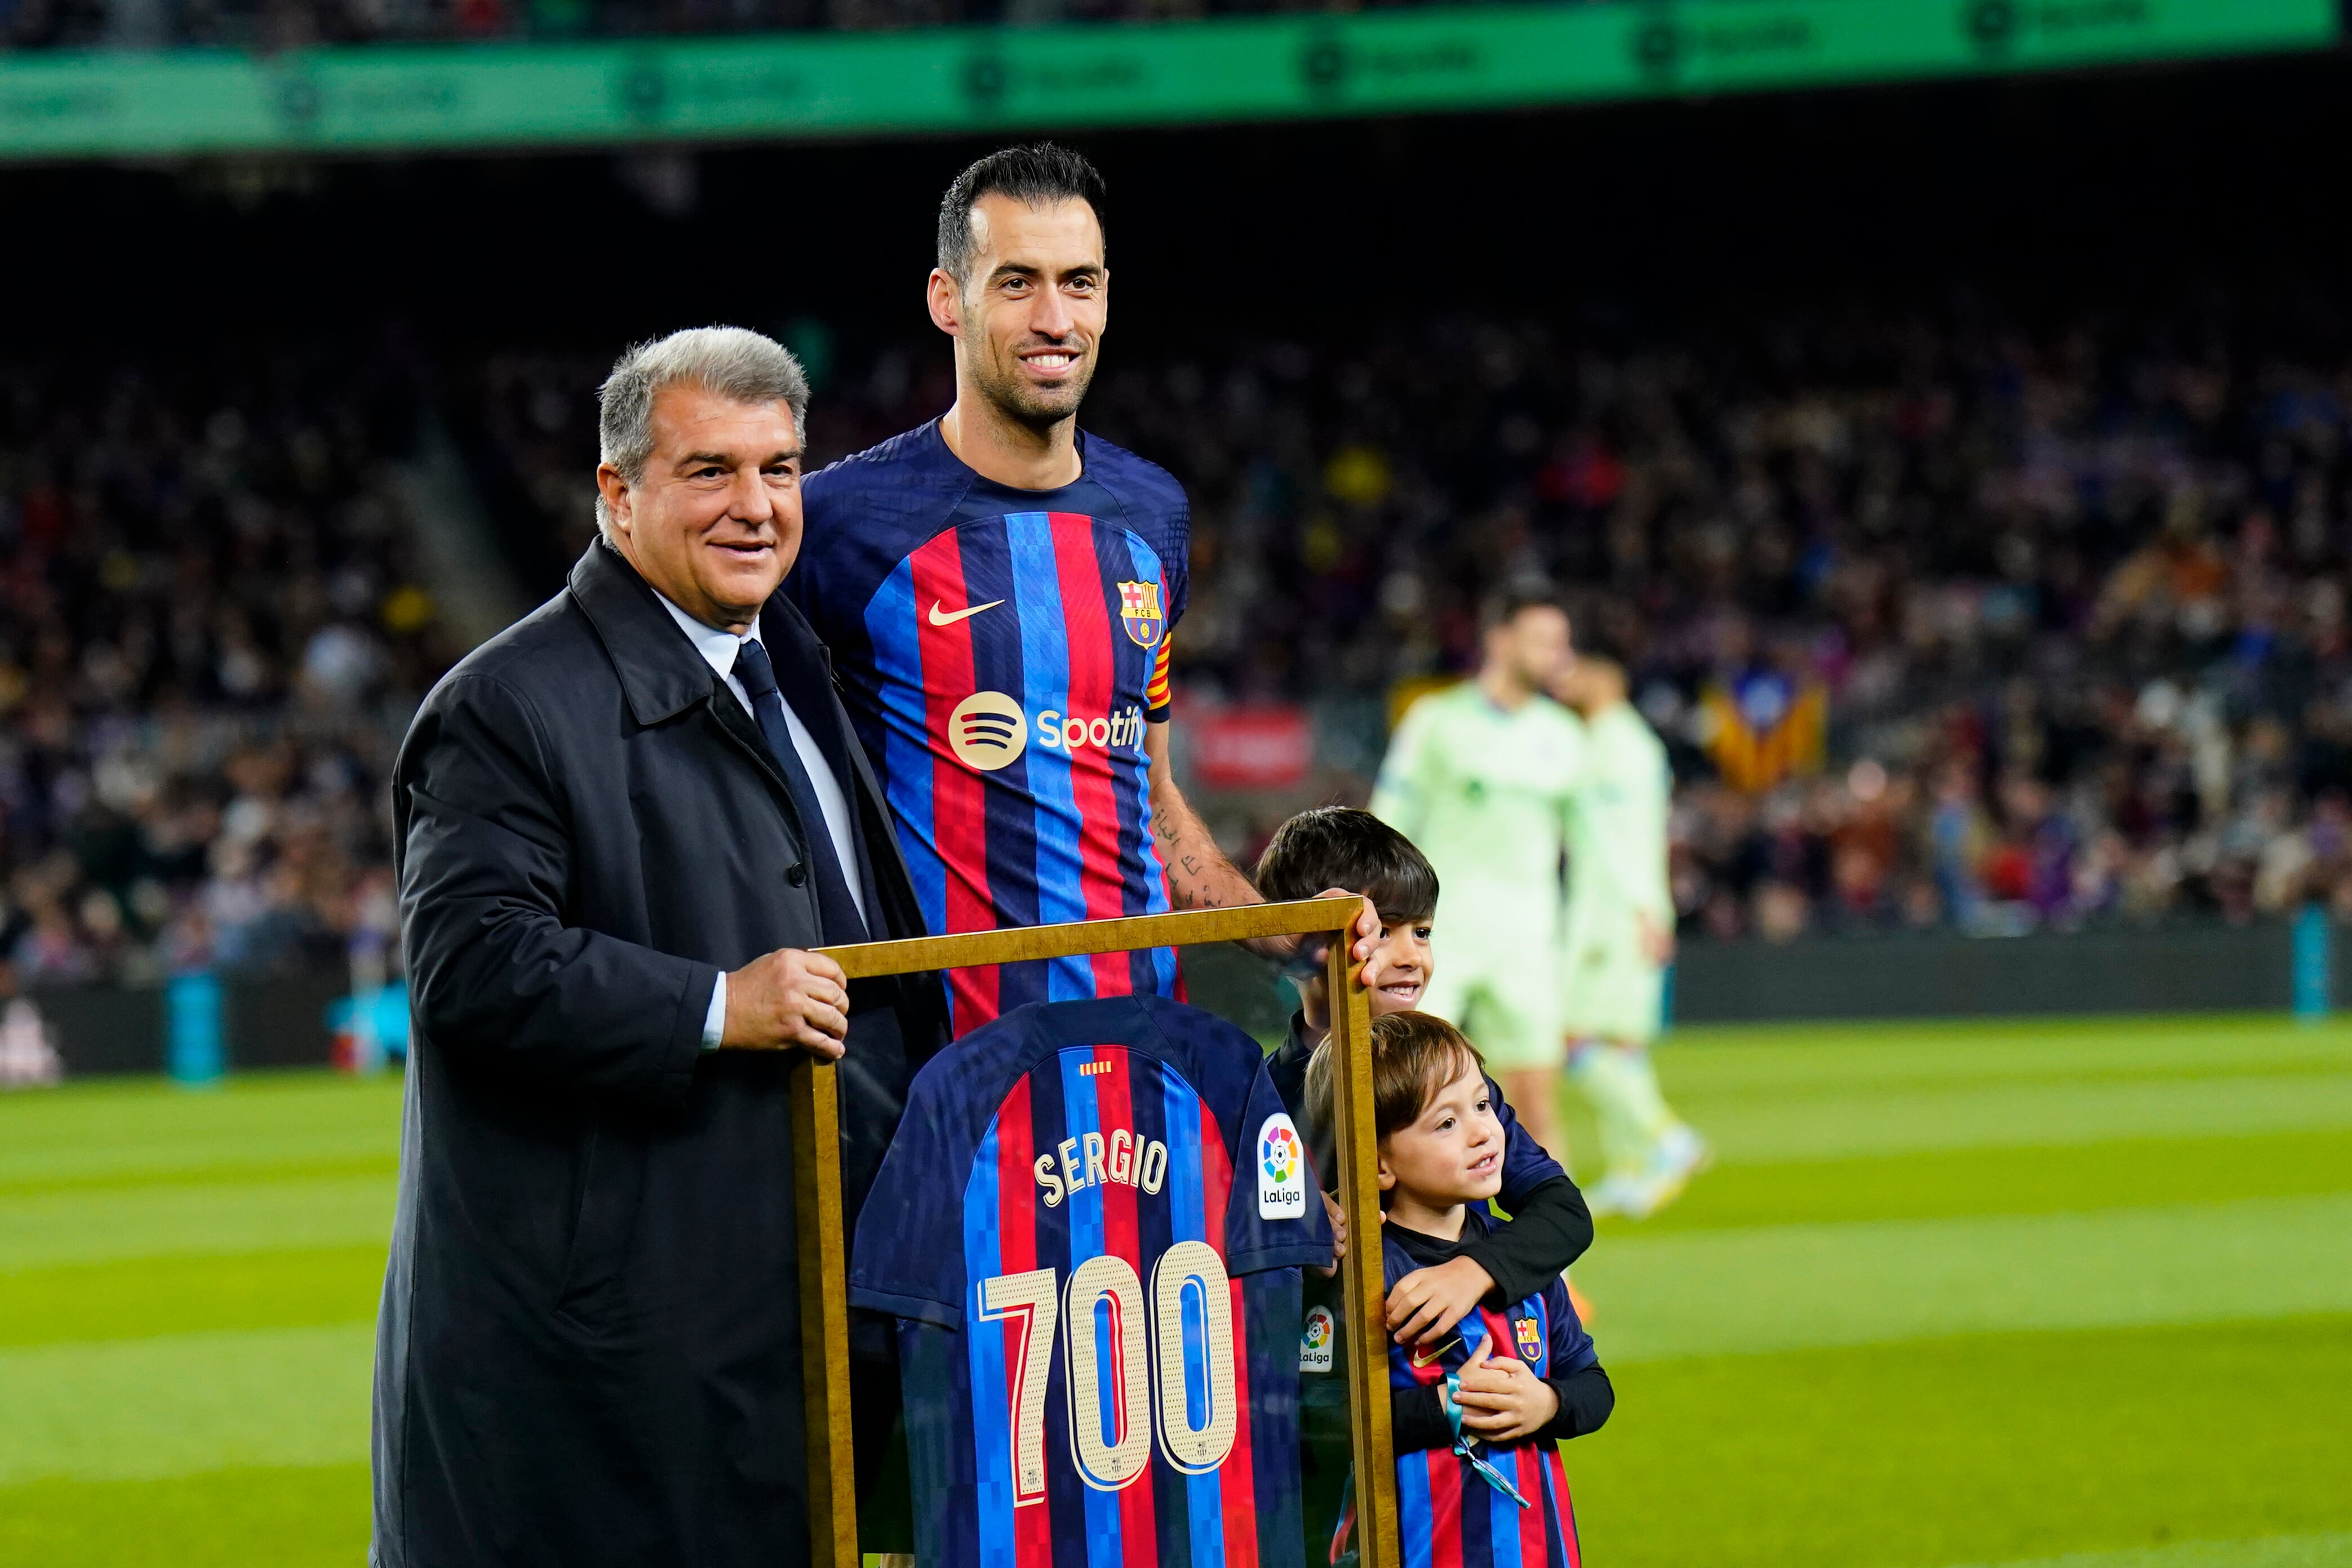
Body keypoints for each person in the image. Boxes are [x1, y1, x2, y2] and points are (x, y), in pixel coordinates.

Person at [371, 328, 942, 1568]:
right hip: (624, 1357)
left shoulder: (790, 662)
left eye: (779, 470)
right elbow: (471, 963)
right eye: (710, 472)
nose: (754, 507)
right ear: (616, 494)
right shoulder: (503, 705)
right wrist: (714, 1004)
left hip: (801, 1308)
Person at [792, 143, 1370, 1037]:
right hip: (943, 1064)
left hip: (1141, 1040)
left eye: (1080, 282)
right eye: (1017, 282)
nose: (1054, 316)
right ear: (948, 299)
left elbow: (1151, 789)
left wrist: (1277, 928)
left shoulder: (1153, 511)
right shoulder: (835, 522)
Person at [1255, 806, 1591, 1339]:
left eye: (1424, 931)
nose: (1413, 956)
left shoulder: (1448, 1079)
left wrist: (1471, 1271)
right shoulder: (1261, 1100)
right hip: (1333, 1387)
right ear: (1294, 949)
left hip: (1457, 1378)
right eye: (1383, 931)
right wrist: (1280, 1214)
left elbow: (1563, 1211)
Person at [1307, 1011, 1610, 1567]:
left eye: (1482, 1104)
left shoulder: (1521, 1259)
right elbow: (1315, 1422)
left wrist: (1546, 1402)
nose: (1481, 1131)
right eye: (1445, 1123)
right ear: (1377, 1162)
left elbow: (1592, 1386)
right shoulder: (1355, 1272)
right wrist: (1439, 1406)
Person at [1370, 587, 1586, 1166]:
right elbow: (1388, 822)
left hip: (1528, 942)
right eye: (1542, 639)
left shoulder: (1564, 735)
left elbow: (1584, 851)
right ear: (1500, 639)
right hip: (1440, 936)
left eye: (1561, 642)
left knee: (1536, 1106)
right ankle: (1403, 1246)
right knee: (1408, 1093)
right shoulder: (1436, 720)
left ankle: (1555, 1257)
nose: (1555, 654)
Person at [1555, 654, 1707, 1219]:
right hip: (1620, 905)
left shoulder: (1616, 746)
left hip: (1610, 911)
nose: (1561, 682)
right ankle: (1632, 1165)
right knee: (1622, 1043)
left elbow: (1624, 839)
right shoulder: (1620, 742)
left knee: (1572, 1036)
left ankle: (1666, 1137)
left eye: (1573, 672)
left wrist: (1643, 908)